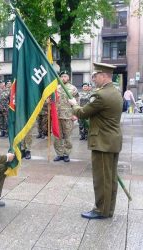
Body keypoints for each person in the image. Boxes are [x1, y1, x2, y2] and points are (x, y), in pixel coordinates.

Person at [68, 62, 123, 219]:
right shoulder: (115, 92)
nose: (93, 79)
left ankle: (101, 210)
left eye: (96, 76)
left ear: (104, 76)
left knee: (102, 179)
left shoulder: (101, 95)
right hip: (112, 140)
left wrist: (74, 105)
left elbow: (83, 113)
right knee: (110, 179)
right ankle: (108, 209)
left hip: (103, 142)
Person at [53, 71, 79, 162]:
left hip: (68, 116)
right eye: (62, 76)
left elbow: (77, 102)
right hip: (57, 116)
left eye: (65, 76)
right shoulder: (55, 88)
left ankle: (66, 154)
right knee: (57, 136)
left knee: (68, 136)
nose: (63, 78)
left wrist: (76, 114)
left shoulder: (73, 88)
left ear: (68, 78)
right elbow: (52, 101)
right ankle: (59, 154)